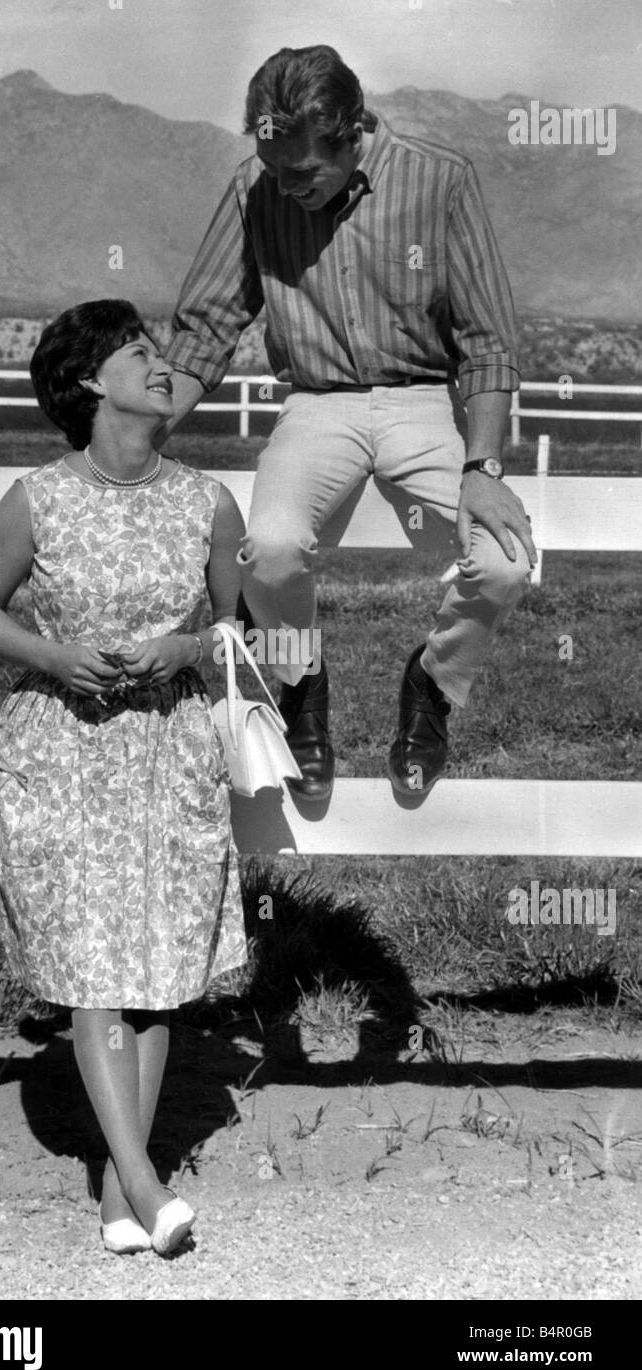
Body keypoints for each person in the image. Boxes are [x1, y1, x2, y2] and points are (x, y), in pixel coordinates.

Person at [159, 44, 537, 802]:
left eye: (302, 171)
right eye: (272, 168)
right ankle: (300, 682)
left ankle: (432, 684)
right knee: (266, 551)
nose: (284, 186)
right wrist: (137, 437)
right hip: (314, 403)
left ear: (351, 132)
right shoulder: (253, 189)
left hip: (424, 400)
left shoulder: (440, 179)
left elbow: (487, 340)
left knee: (502, 562)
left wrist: (483, 467)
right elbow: (206, 328)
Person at [0, 299, 247, 1257]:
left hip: (168, 750)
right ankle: (149, 1183)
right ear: (89, 381)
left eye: (160, 352)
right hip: (62, 753)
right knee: (91, 965)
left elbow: (237, 627)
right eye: (137, 353)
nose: (161, 366)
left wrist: (187, 645)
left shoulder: (209, 502)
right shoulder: (36, 498)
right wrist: (54, 657)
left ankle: (123, 1202)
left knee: (155, 972)